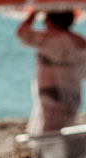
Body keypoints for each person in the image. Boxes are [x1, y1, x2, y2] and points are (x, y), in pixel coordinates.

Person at [20, 9, 86, 137]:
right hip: (72, 94)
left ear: (49, 20)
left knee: (47, 135)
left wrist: (34, 13)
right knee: (63, 133)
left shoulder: (49, 38)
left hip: (51, 94)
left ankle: (48, 157)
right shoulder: (80, 41)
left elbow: (22, 33)